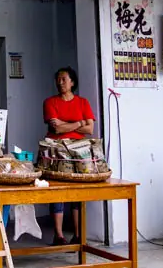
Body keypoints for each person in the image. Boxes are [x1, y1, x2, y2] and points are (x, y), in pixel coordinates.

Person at [42, 66, 95, 246]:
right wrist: (79, 123)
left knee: (77, 191)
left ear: (72, 82)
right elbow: (56, 129)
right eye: (58, 79)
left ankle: (78, 234)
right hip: (56, 150)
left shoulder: (83, 102)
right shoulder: (50, 102)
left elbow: (90, 129)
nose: (60, 82)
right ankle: (58, 235)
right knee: (57, 190)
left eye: (64, 79)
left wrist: (66, 124)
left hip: (79, 151)